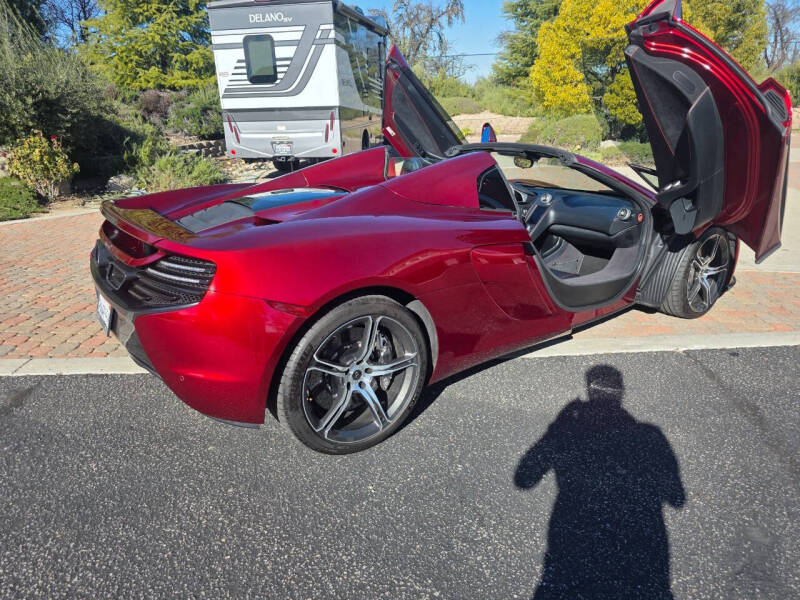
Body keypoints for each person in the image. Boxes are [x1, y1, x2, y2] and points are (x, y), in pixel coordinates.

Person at [515, 365, 686, 599]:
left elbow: (524, 477)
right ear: (621, 393)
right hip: (637, 557)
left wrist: (558, 426)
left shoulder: (568, 433)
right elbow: (676, 497)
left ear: (589, 393)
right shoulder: (649, 436)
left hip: (574, 551)